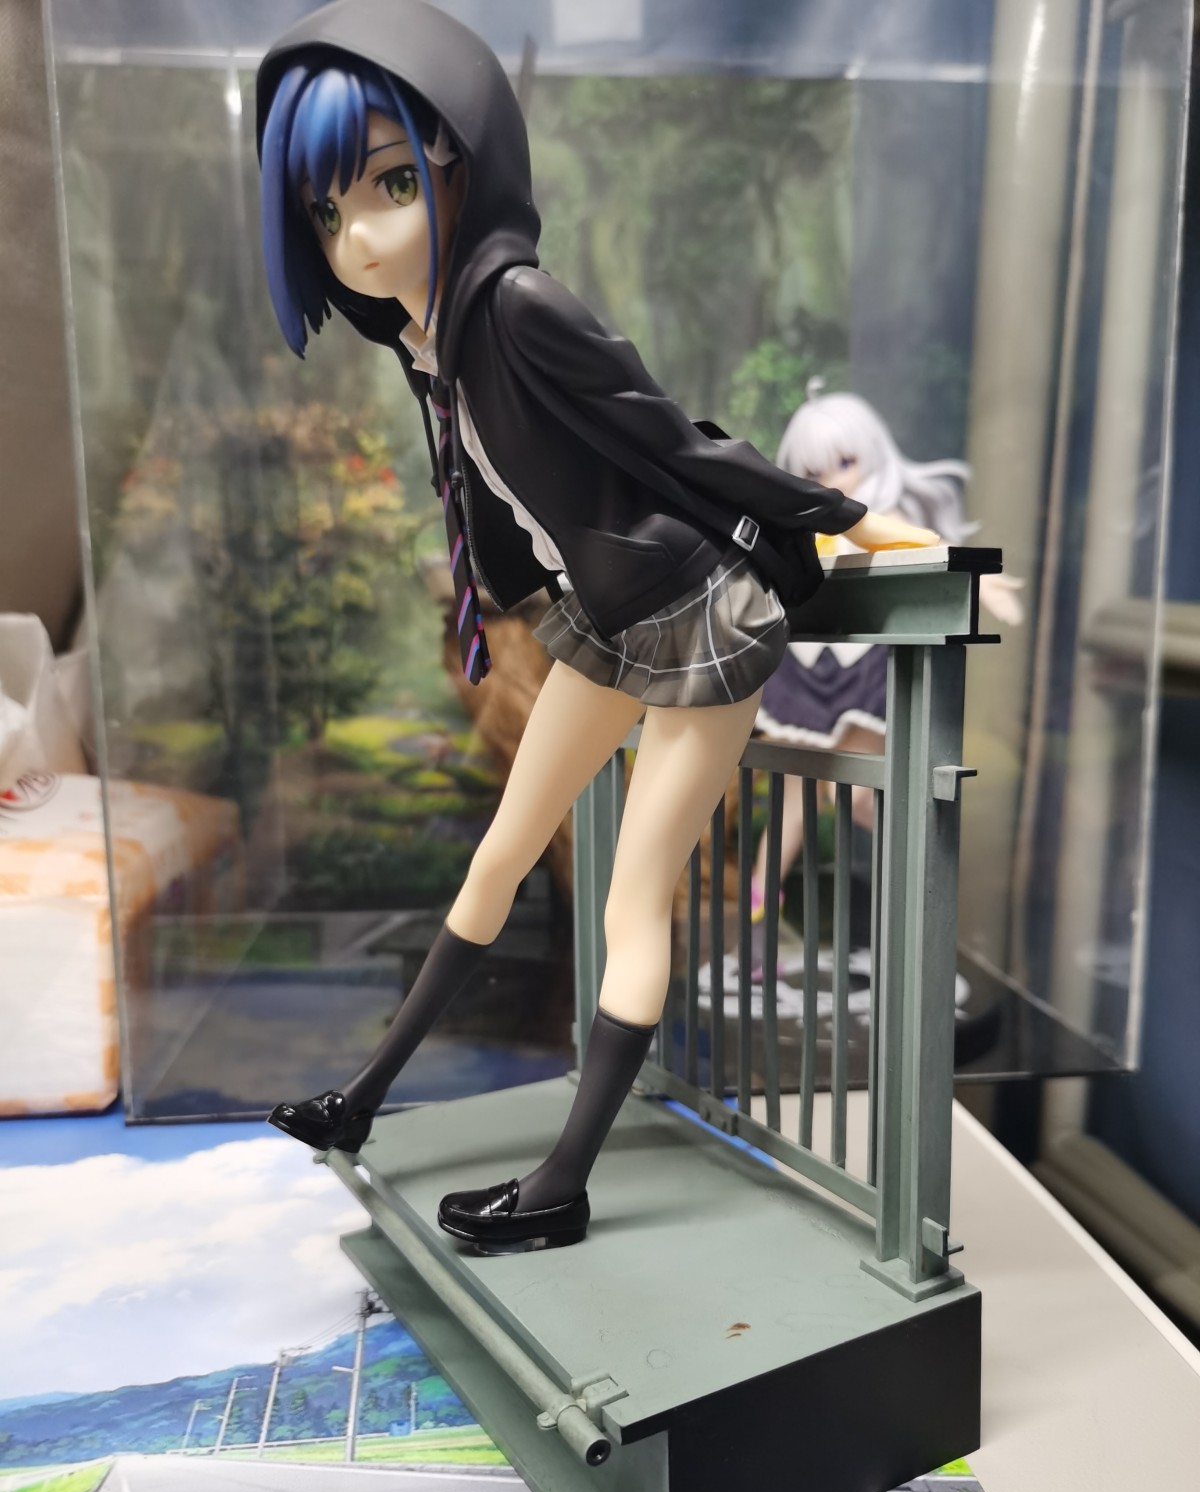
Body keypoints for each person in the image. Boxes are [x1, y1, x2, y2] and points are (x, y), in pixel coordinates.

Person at [254, 0, 937, 1253]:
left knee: (632, 901)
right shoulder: (434, 343)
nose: (358, 236)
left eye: (392, 184)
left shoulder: (516, 305)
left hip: (703, 616)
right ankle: (361, 1099)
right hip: (605, 619)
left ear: (463, 163)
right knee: (500, 851)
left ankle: (562, 1184)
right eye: (328, 211)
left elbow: (675, 439)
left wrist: (853, 518)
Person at [745, 388, 1023, 979]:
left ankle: (918, 920)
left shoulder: (875, 520)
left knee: (871, 798)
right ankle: (757, 928)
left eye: (844, 463)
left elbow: (927, 553)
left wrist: (981, 584)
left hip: (861, 677)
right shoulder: (801, 529)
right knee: (792, 804)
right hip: (803, 671)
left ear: (871, 456)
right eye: (813, 472)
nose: (831, 481)